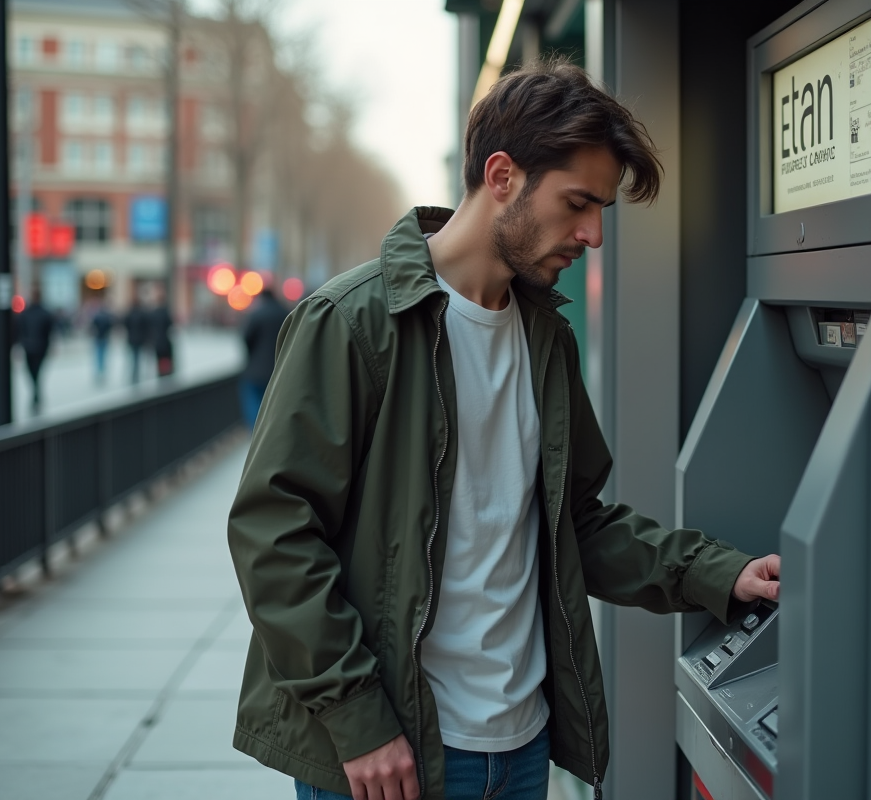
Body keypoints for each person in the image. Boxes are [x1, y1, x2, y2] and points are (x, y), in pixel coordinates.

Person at [227, 57, 781, 800]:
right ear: (501, 175)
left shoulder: (546, 339)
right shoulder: (353, 322)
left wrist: (716, 573)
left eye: (601, 212)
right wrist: (358, 720)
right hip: (396, 754)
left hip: (520, 749)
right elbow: (275, 532)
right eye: (578, 203)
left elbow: (574, 524)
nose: (593, 235)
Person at [239, 288, 289, 428]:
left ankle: (256, 431)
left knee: (254, 404)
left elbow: (247, 339)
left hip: (256, 370)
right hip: (279, 369)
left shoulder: (256, 314)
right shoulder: (285, 313)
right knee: (275, 404)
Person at [13, 287, 55, 412]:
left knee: (33, 373)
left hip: (30, 348)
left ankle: (36, 396)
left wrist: (19, 345)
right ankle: (36, 395)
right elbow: (50, 332)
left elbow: (19, 331)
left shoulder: (26, 313)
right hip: (40, 348)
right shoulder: (44, 313)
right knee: (36, 372)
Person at [147, 285, 175, 378]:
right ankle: (166, 374)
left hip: (157, 341)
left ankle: (161, 375)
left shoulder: (153, 313)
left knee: (159, 361)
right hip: (165, 341)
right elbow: (170, 324)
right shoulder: (165, 312)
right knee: (167, 361)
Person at [90, 302, 115, 385]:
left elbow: (92, 326)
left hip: (98, 338)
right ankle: (102, 372)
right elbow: (110, 327)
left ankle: (98, 373)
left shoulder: (97, 316)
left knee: (98, 356)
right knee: (104, 356)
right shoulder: (108, 317)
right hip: (105, 338)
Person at [123, 297, 148, 383]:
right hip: (139, 339)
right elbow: (145, 326)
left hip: (131, 339)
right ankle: (136, 374)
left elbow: (125, 324)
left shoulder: (129, 313)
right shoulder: (142, 313)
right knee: (137, 357)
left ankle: (132, 374)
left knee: (132, 357)